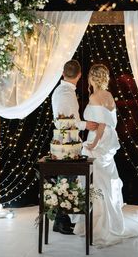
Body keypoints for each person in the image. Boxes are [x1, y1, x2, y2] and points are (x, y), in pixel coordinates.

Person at [73, 63, 138, 247]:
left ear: (92, 78)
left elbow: (101, 124)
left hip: (100, 139)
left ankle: (100, 226)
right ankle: (112, 222)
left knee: (97, 181)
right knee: (107, 180)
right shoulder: (109, 95)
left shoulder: (95, 97)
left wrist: (93, 143)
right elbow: (109, 122)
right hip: (110, 138)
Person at [51, 59, 98, 235]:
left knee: (67, 180)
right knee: (66, 181)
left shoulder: (61, 90)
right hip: (66, 144)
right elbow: (67, 121)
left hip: (65, 142)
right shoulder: (65, 93)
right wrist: (87, 125)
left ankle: (62, 220)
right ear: (79, 75)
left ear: (63, 74)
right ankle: (60, 221)